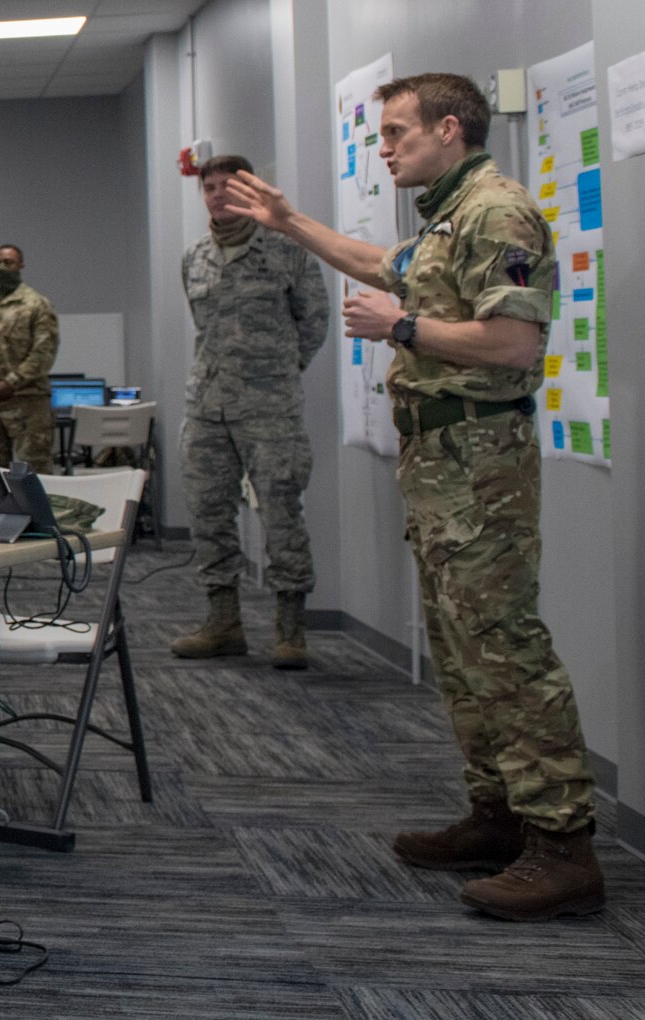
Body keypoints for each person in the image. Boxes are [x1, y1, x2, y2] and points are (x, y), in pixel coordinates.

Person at [225, 72, 601, 921]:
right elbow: (376, 264)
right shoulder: (443, 217)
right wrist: (289, 222)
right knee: (464, 649)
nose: (383, 147)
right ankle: (499, 815)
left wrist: (401, 329)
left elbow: (510, 342)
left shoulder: (495, 212)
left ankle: (564, 845)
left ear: (450, 128)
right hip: (440, 462)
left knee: (506, 649)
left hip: (481, 464)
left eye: (396, 132)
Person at [171, 155, 330, 670]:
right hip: (207, 405)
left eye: (228, 186)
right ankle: (224, 623)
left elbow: (314, 323)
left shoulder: (287, 251)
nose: (218, 195)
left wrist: (277, 373)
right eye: (210, 187)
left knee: (281, 512)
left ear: (251, 190)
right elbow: (203, 325)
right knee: (208, 513)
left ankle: (290, 629)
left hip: (269, 408)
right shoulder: (194, 257)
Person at [0, 244, 58, 472]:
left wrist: (12, 382)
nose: (1, 267)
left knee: (36, 471)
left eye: (8, 262)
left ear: (21, 266)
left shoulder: (37, 305)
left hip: (27, 401)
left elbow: (44, 352)